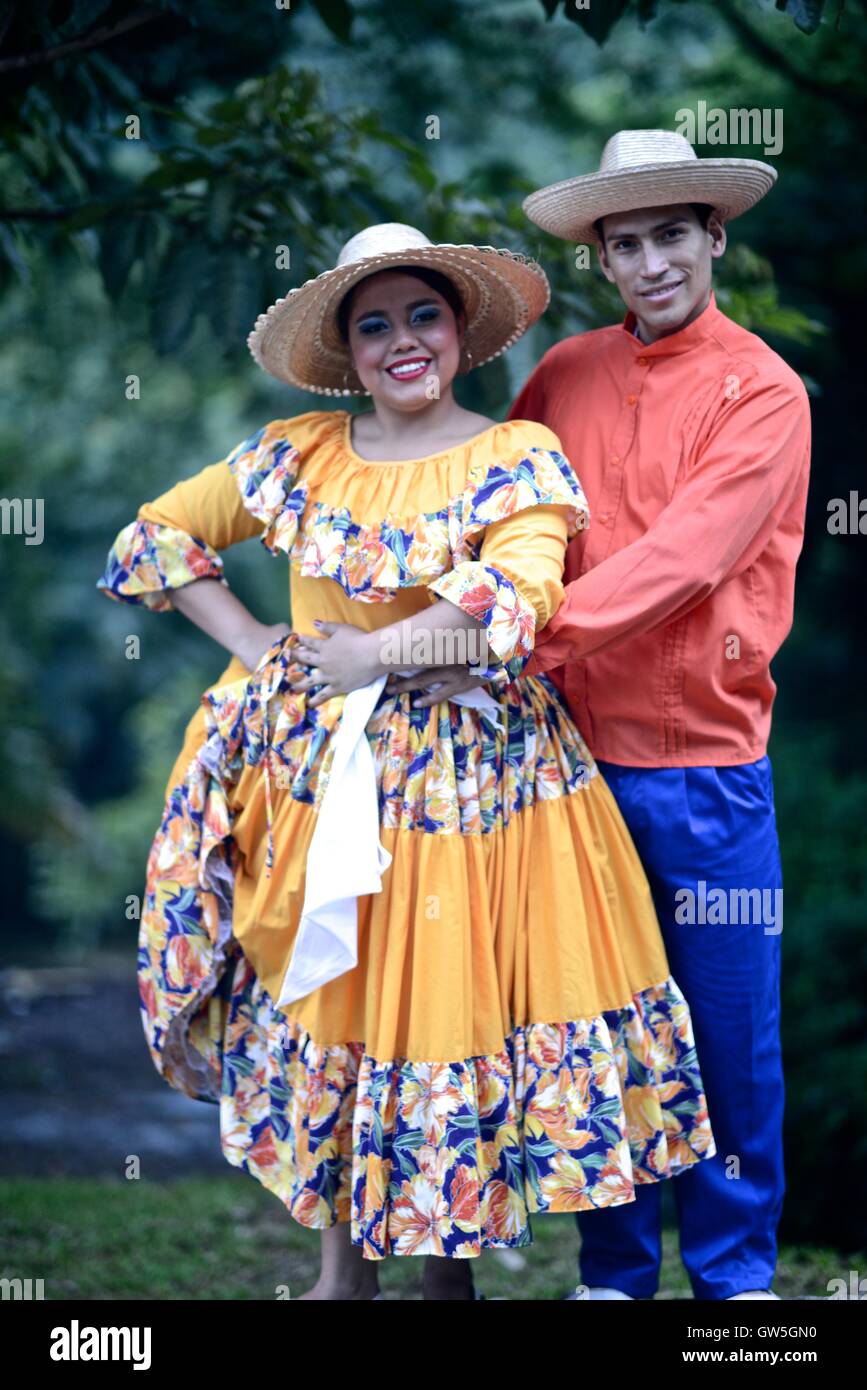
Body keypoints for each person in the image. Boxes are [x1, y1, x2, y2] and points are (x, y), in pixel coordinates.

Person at [96, 221, 716, 1302]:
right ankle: (343, 1272)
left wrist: (372, 652)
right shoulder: (303, 454)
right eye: (372, 324)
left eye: (421, 314)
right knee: (341, 999)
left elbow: (515, 600)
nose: (401, 341)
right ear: (349, 350)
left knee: (449, 999)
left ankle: (448, 1271)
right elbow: (157, 535)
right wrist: (264, 650)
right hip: (328, 773)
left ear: (459, 331)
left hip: (476, 782)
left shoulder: (511, 456)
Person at [396, 131, 810, 1301]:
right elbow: (490, 510)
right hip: (560, 762)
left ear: (712, 236)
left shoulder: (765, 392)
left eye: (671, 234)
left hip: (706, 766)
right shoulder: (563, 375)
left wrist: (500, 634)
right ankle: (615, 1275)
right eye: (625, 244)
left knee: (730, 1035)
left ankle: (736, 1282)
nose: (652, 262)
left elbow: (686, 562)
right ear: (604, 259)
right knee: (596, 1025)